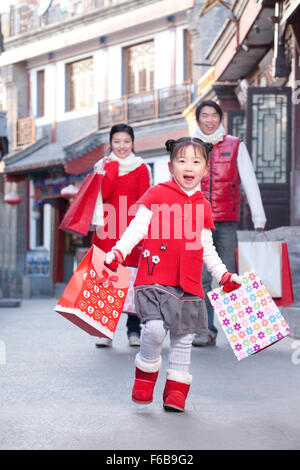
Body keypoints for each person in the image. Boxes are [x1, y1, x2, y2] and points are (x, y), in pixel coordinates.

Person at [104, 137, 242, 412]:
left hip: (188, 284)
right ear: (170, 166)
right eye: (181, 161)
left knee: (183, 337)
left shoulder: (203, 206)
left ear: (205, 169)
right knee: (154, 329)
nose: (188, 166)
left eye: (195, 161)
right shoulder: (157, 194)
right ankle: (145, 374)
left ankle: (176, 392)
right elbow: (136, 228)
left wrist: (224, 276)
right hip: (155, 277)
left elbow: (207, 247)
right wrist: (118, 252)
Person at [191, 100, 267, 348]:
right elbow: (179, 181)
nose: (210, 120)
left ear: (220, 118)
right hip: (197, 222)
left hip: (225, 222)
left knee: (231, 276)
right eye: (205, 115)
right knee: (201, 278)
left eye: (214, 115)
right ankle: (205, 331)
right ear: (198, 119)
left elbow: (249, 180)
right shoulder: (189, 146)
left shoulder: (235, 145)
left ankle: (247, 332)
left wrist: (259, 218)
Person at [92, 123, 151, 348]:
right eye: (117, 142)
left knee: (133, 280)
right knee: (108, 279)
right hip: (107, 229)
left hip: (132, 230)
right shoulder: (102, 166)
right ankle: (104, 331)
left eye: (126, 141)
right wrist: (112, 168)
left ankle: (133, 331)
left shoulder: (142, 167)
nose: (122, 146)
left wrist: (142, 231)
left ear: (132, 143)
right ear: (110, 143)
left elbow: (145, 200)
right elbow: (104, 193)